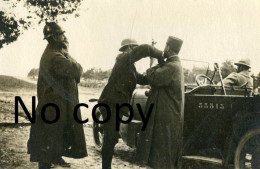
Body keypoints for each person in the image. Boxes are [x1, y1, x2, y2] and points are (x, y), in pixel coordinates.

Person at [27, 22, 87, 169]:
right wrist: (68, 53)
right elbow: (77, 71)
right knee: (48, 144)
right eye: (61, 34)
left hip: (50, 105)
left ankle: (53, 158)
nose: (64, 37)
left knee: (47, 144)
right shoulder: (56, 57)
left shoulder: (50, 54)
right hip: (54, 107)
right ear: (54, 38)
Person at [98, 38, 163, 169]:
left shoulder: (129, 67)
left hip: (116, 105)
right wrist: (160, 54)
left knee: (111, 139)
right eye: (133, 48)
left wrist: (155, 73)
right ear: (128, 49)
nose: (135, 50)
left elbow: (142, 79)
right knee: (110, 139)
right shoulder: (123, 59)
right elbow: (145, 49)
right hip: (111, 104)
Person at [136, 36, 184, 169]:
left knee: (162, 157)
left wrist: (153, 63)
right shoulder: (173, 65)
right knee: (161, 155)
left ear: (168, 48)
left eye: (165, 47)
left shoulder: (172, 66)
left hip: (165, 118)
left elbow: (153, 77)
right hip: (166, 117)